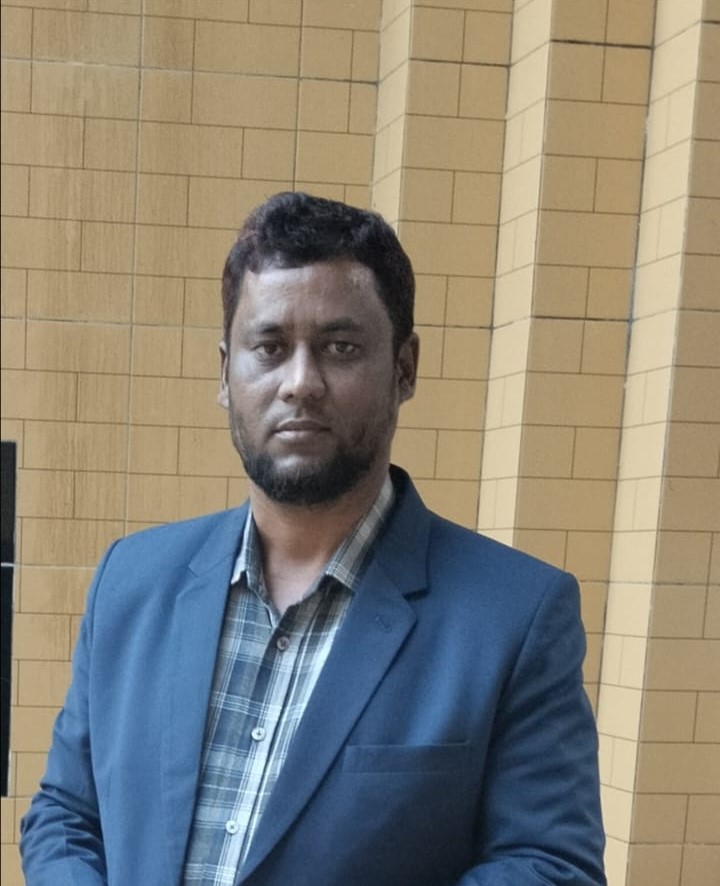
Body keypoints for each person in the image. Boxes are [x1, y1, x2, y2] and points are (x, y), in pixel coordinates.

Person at [20, 192, 606, 886]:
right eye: (269, 348)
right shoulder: (132, 581)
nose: (300, 383)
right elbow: (66, 815)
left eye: (340, 348)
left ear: (404, 368)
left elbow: (549, 865)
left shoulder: (515, 616)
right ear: (225, 373)